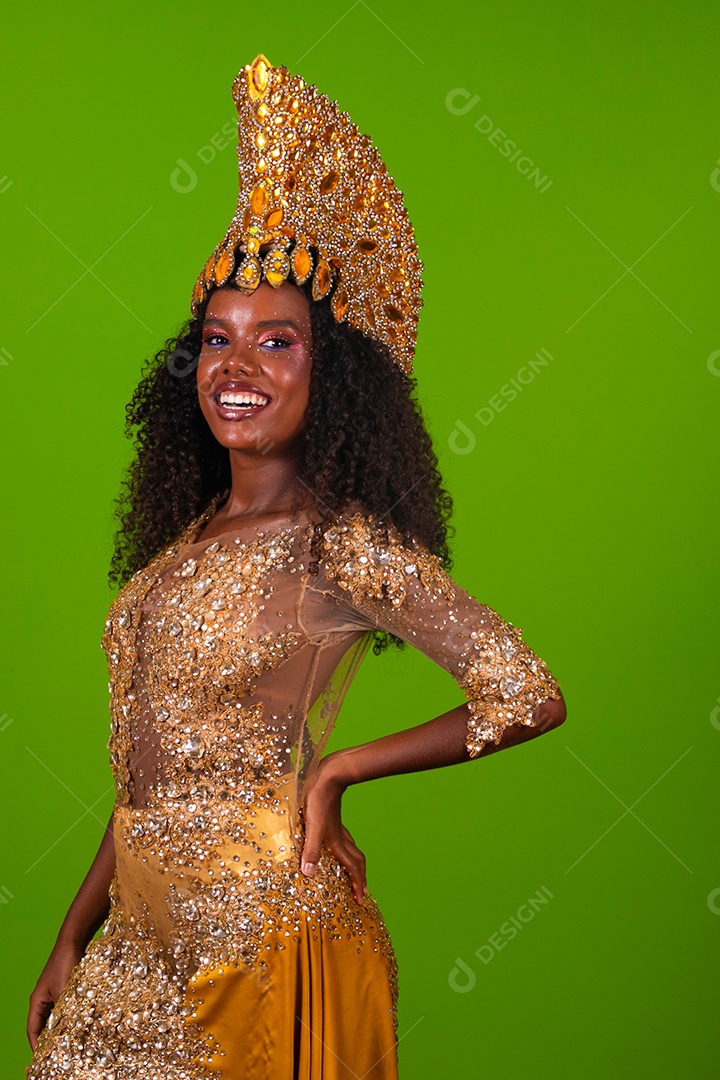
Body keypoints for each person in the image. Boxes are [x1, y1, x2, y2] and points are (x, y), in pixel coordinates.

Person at [26, 55, 566, 1079]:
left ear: (333, 376)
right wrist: (71, 932)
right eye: (218, 343)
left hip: (264, 945)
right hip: (138, 949)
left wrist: (342, 768)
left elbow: (525, 693)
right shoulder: (176, 550)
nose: (238, 368)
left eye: (278, 342)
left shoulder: (340, 545)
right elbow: (153, 772)